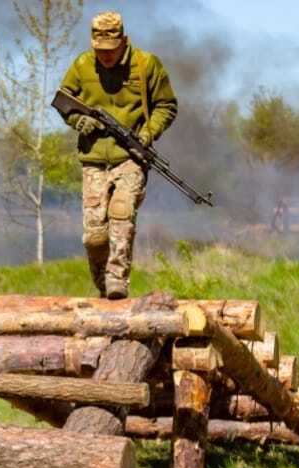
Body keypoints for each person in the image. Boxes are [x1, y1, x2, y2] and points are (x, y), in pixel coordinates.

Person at [56, 11, 177, 299]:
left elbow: (167, 106)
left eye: (111, 51)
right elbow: (63, 101)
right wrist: (78, 121)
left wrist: (147, 134)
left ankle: (117, 280)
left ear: (123, 41)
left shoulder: (146, 65)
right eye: (100, 51)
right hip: (93, 158)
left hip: (130, 157)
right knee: (95, 236)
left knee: (121, 214)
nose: (106, 57)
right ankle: (102, 286)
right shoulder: (82, 65)